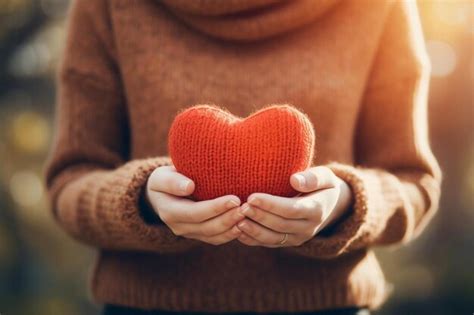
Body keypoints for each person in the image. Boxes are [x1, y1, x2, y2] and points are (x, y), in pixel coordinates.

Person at [45, 0, 441, 314]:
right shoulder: (110, 6)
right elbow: (69, 182)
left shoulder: (379, 6)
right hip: (146, 307)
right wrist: (140, 200)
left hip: (328, 307)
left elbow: (414, 183)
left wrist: (345, 203)